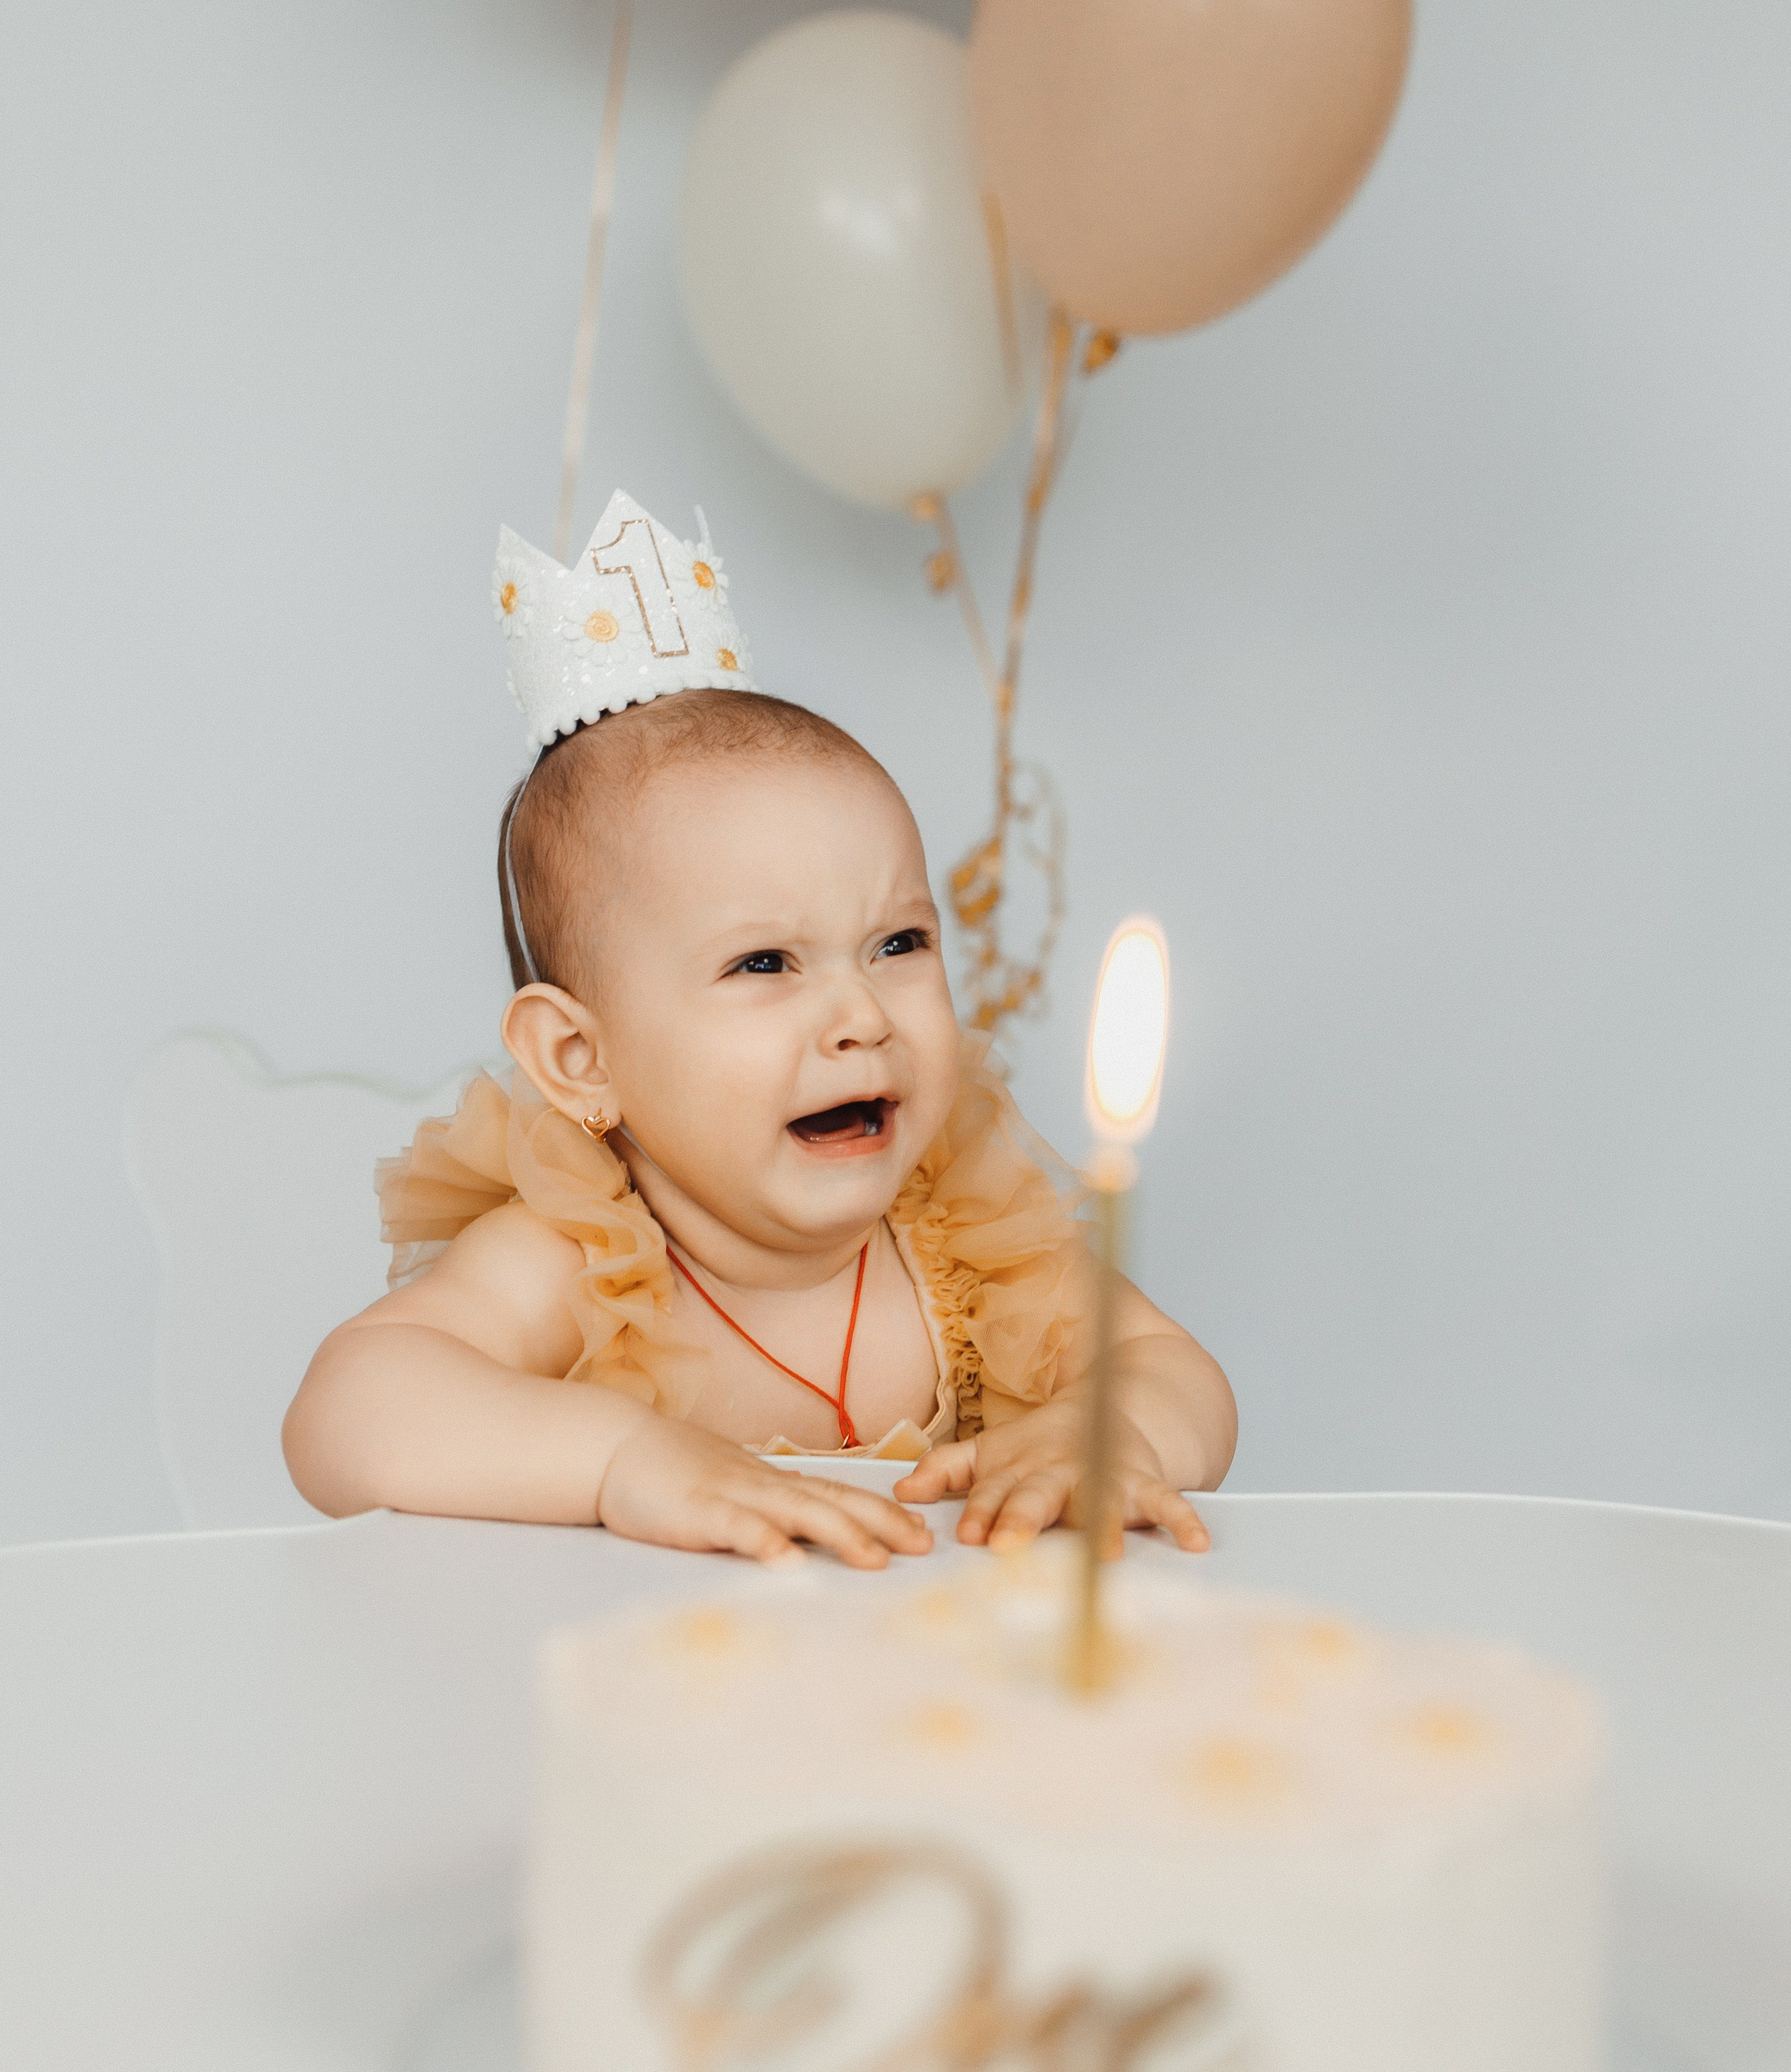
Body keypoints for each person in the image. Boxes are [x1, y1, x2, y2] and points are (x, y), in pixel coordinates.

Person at [282, 491, 1235, 1567]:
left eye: (899, 945)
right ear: (580, 1060)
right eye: (765, 964)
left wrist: (1110, 1431)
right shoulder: (585, 1264)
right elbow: (344, 1412)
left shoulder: (965, 1250)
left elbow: (1176, 1369)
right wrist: (620, 1462)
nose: (862, 1017)